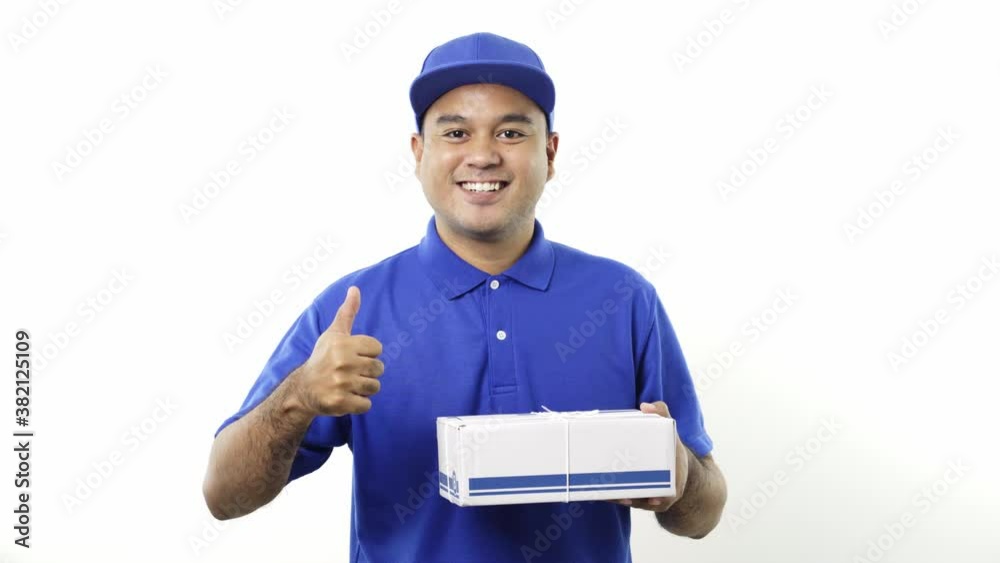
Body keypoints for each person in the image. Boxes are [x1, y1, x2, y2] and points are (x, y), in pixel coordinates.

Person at [202, 31, 727, 562]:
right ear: (418, 153)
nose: (481, 155)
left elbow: (705, 514)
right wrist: (298, 397)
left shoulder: (624, 299)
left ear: (550, 151)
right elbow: (223, 497)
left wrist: (677, 474)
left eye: (510, 132)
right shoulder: (353, 308)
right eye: (455, 132)